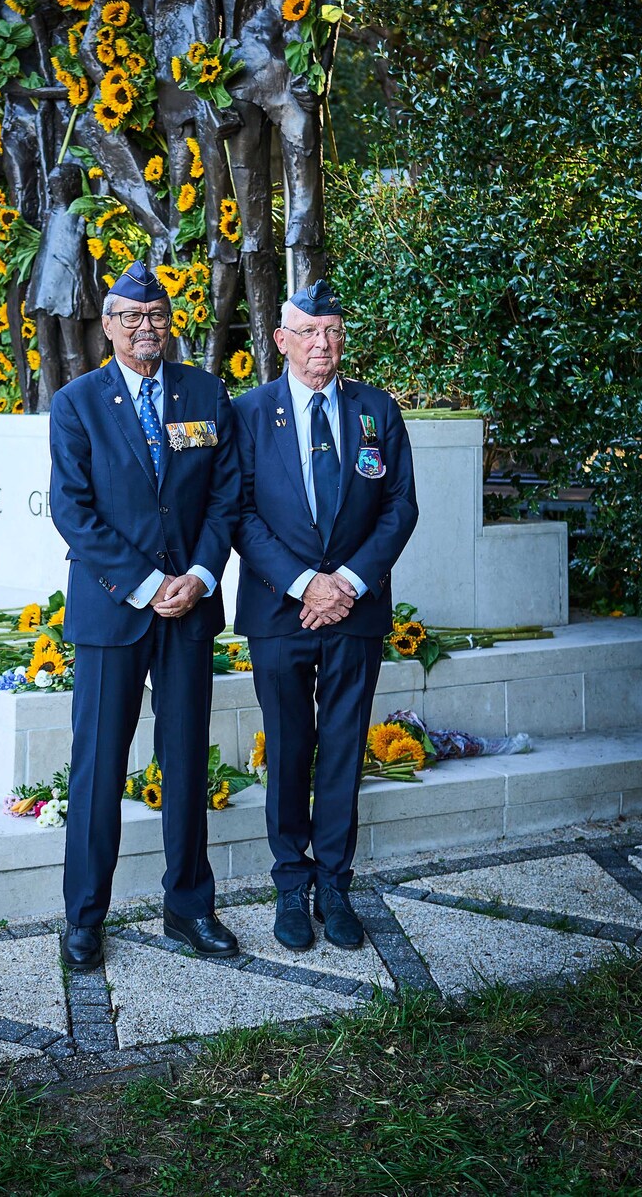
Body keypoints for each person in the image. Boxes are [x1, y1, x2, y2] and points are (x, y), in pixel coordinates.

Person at [49, 262, 243, 968]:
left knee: (187, 759)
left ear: (170, 321)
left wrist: (196, 575)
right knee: (97, 767)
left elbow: (226, 496)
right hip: (112, 611)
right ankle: (83, 917)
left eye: (156, 315)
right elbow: (73, 510)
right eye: (130, 317)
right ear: (108, 325)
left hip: (189, 609)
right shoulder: (77, 403)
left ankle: (189, 907)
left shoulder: (205, 392)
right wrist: (143, 582)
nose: (145, 327)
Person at [230, 279, 418, 951]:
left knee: (342, 747)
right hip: (281, 613)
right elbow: (241, 514)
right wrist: (307, 583)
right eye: (309, 331)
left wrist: (349, 583)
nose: (324, 344)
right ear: (281, 339)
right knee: (287, 746)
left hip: (355, 611)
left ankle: (334, 885)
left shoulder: (377, 410)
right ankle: (290, 883)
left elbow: (400, 506)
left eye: (334, 331)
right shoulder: (249, 413)